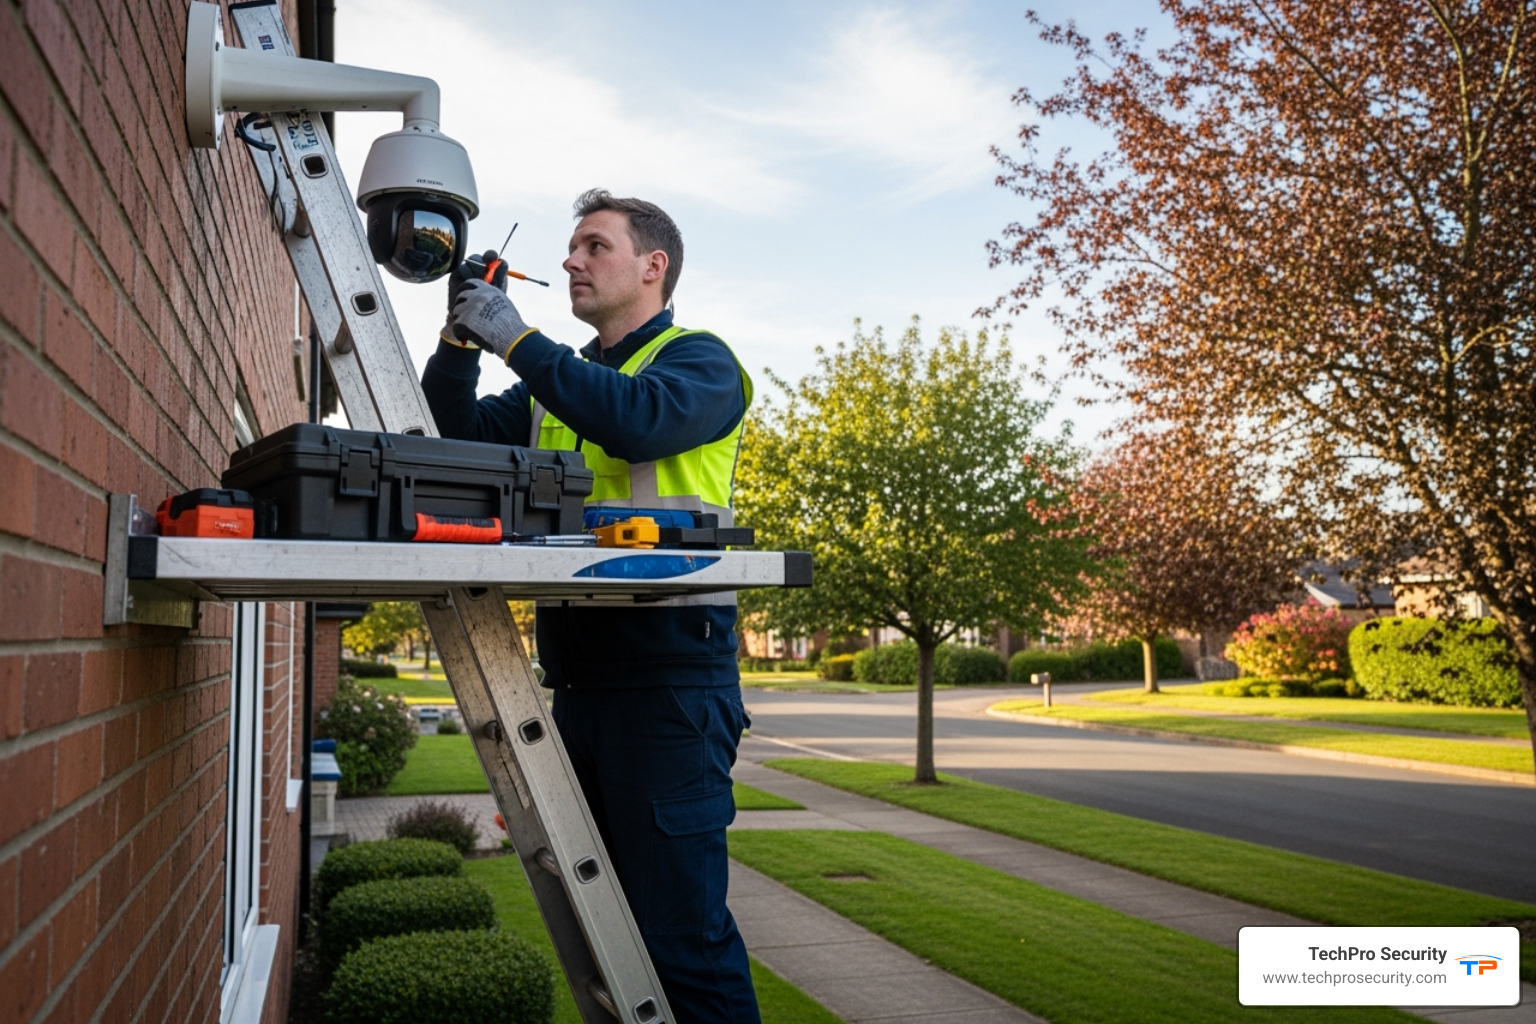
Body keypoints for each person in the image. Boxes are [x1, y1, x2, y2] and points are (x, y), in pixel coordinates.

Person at [422, 189, 760, 1024]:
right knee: (609, 935)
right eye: (570, 248)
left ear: (654, 267)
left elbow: (636, 427)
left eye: (593, 246)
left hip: (671, 687)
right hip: (578, 687)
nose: (571, 261)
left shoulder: (701, 362)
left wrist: (519, 339)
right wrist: (462, 341)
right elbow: (452, 435)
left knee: (682, 938)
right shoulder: (553, 392)